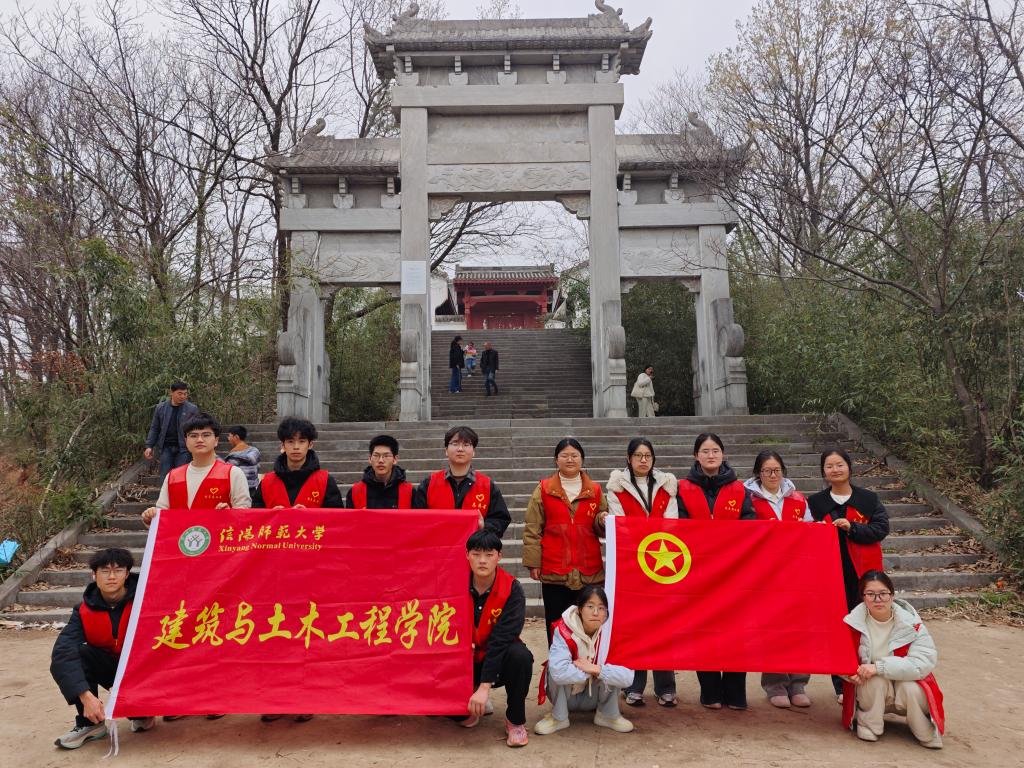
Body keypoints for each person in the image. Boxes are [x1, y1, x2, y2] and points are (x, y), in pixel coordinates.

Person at [677, 432, 756, 710]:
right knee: (704, 630)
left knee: (736, 631)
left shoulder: (740, 489)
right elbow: (679, 526)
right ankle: (710, 691)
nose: (711, 456)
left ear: (723, 454)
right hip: (698, 573)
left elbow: (751, 525)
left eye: (715, 451)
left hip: (734, 572)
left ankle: (735, 692)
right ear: (696, 455)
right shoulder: (682, 488)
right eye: (705, 451)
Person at [807, 446, 890, 700]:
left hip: (863, 575)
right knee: (837, 629)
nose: (835, 470)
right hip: (830, 576)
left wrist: (852, 528)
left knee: (866, 627)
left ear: (849, 467)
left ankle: (869, 681)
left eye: (839, 465)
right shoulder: (815, 503)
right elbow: (806, 535)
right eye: (829, 466)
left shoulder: (868, 499)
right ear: (823, 471)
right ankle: (841, 685)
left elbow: (880, 529)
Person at [50, 548, 154, 748]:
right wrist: (84, 694)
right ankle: (91, 724)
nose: (112, 577)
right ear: (94, 575)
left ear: (127, 573)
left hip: (143, 672)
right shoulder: (83, 610)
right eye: (105, 571)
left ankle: (145, 712)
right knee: (79, 653)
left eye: (118, 570)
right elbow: (62, 653)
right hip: (112, 671)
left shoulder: (146, 600)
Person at [605, 437, 680, 707]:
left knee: (664, 626)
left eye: (647, 455)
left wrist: (657, 545)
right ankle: (633, 686)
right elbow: (620, 524)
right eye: (638, 455)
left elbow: (672, 523)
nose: (643, 460)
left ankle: (666, 687)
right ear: (629, 458)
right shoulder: (616, 487)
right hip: (631, 564)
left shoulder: (667, 485)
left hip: (663, 563)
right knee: (634, 626)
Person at [841, 570, 944, 749]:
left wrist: (879, 667)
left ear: (892, 595)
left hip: (907, 689)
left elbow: (922, 663)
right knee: (875, 681)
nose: (878, 599)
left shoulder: (913, 624)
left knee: (909, 687)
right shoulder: (852, 624)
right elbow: (841, 658)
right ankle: (869, 724)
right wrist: (849, 673)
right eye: (870, 594)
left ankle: (923, 729)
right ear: (862, 597)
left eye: (883, 593)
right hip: (873, 689)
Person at [743, 450, 813, 708]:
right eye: (767, 471)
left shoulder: (798, 499)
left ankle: (798, 683)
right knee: (772, 629)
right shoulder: (750, 500)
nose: (772, 475)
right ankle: (775, 684)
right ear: (758, 473)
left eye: (777, 470)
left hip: (796, 573)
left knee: (798, 629)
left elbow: (811, 532)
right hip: (766, 575)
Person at [522, 438, 607, 641]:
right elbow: (533, 527)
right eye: (565, 455)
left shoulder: (595, 490)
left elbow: (601, 525)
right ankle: (558, 662)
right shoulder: (543, 489)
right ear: (556, 459)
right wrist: (534, 562)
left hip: (588, 570)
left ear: (582, 459)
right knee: (556, 625)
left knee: (589, 624)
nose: (570, 459)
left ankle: (588, 661)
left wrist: (602, 520)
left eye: (574, 455)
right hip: (555, 569)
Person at [463, 530, 533, 748]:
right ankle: (468, 696)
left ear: (499, 556)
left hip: (498, 659)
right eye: (476, 554)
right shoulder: (454, 583)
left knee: (520, 656)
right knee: (457, 716)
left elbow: (502, 639)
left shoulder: (512, 589)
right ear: (467, 555)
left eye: (489, 554)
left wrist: (485, 686)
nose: (482, 560)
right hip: (464, 657)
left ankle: (515, 721)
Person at [534, 585, 635, 735]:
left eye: (601, 608)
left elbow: (628, 677)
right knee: (552, 667)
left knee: (611, 668)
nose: (596, 613)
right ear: (580, 609)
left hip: (595, 696)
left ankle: (607, 715)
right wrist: (592, 671)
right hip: (567, 696)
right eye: (590, 606)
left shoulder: (612, 634)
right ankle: (559, 717)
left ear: (607, 612)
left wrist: (596, 669)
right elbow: (558, 672)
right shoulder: (563, 630)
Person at [141, 412, 252, 525]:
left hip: (218, 535)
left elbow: (244, 515)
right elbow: (162, 516)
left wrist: (229, 514)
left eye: (206, 435)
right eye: (193, 435)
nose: (199, 439)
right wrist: (150, 519)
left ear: (216, 440)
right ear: (186, 441)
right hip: (180, 536)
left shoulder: (232, 473)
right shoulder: (173, 476)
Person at [413, 425, 511, 536]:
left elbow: (501, 519)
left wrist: (485, 526)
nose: (460, 449)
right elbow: (416, 519)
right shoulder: (429, 484)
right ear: (446, 450)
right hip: (438, 544)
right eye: (455, 443)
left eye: (466, 444)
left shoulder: (487, 486)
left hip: (474, 545)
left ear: (473, 451)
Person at [253, 417, 344, 510]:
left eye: (302, 441)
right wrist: (271, 515)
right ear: (283, 445)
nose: (296, 447)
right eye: (290, 441)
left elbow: (337, 516)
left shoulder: (325, 481)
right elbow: (255, 516)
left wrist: (309, 515)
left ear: (310, 445)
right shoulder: (266, 482)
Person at [143, 380, 198, 481]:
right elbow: (155, 428)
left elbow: (196, 429)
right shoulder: (160, 408)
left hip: (184, 449)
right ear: (171, 392)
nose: (183, 396)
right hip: (166, 448)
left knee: (181, 477)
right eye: (180, 393)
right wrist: (149, 446)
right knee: (165, 477)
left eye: (185, 394)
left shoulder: (192, 409)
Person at [345, 434, 414, 509]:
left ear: (395, 459)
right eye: (376, 455)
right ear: (370, 459)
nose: (381, 460)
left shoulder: (409, 492)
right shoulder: (355, 492)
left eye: (386, 456)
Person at [223, 425, 261, 501]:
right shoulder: (255, 451)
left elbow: (228, 474)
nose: (228, 438)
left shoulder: (232, 457)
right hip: (253, 488)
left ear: (236, 437)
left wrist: (233, 455)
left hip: (239, 490)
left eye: (229, 436)